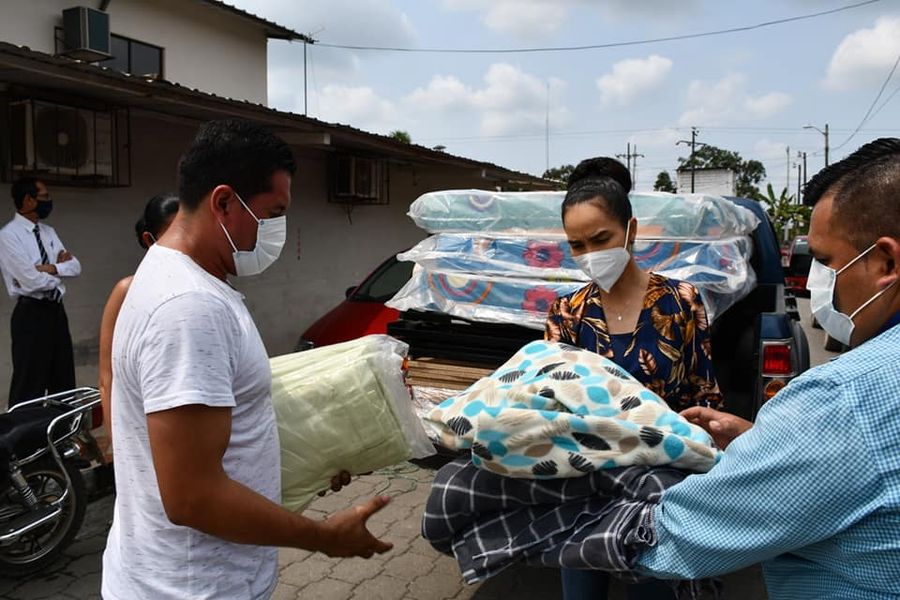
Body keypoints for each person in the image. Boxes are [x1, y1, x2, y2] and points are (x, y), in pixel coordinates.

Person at [101, 120, 392, 600]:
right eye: (273, 213)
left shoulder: (178, 279)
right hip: (193, 587)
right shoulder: (189, 306)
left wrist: (308, 465)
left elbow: (218, 433)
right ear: (223, 202)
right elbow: (193, 497)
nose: (278, 230)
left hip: (186, 576)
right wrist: (324, 537)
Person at [636, 138, 900, 599]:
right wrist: (770, 444)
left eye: (824, 262)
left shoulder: (845, 399)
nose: (816, 282)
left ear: (886, 262)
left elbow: (683, 534)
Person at [545, 157, 722, 600]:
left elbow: (704, 392)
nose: (590, 254)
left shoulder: (681, 302)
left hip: (661, 491)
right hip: (584, 490)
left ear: (631, 230)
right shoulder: (566, 312)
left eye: (600, 239)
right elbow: (550, 400)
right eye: (577, 245)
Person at [98, 193, 179, 438]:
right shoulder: (127, 291)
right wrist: (117, 440)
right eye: (173, 234)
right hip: (143, 428)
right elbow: (107, 377)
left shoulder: (208, 289)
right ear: (149, 240)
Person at [0, 178, 81, 408]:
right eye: (44, 196)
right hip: (31, 313)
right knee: (30, 382)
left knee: (63, 379)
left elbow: (75, 267)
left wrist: (50, 268)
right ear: (28, 200)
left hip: (56, 312)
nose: (49, 200)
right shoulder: (8, 235)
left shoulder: (48, 232)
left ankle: (62, 427)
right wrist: (57, 271)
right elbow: (30, 281)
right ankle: (25, 429)